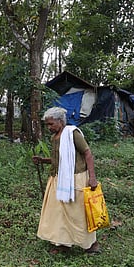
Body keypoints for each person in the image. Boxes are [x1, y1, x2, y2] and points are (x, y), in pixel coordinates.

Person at [32, 106, 100, 254]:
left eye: (51, 124)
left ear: (60, 121)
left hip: (76, 178)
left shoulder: (73, 133)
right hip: (58, 178)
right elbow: (59, 159)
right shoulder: (54, 138)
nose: (49, 127)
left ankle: (91, 244)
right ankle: (62, 243)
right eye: (47, 124)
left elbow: (87, 153)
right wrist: (43, 160)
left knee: (77, 212)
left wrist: (92, 178)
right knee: (58, 213)